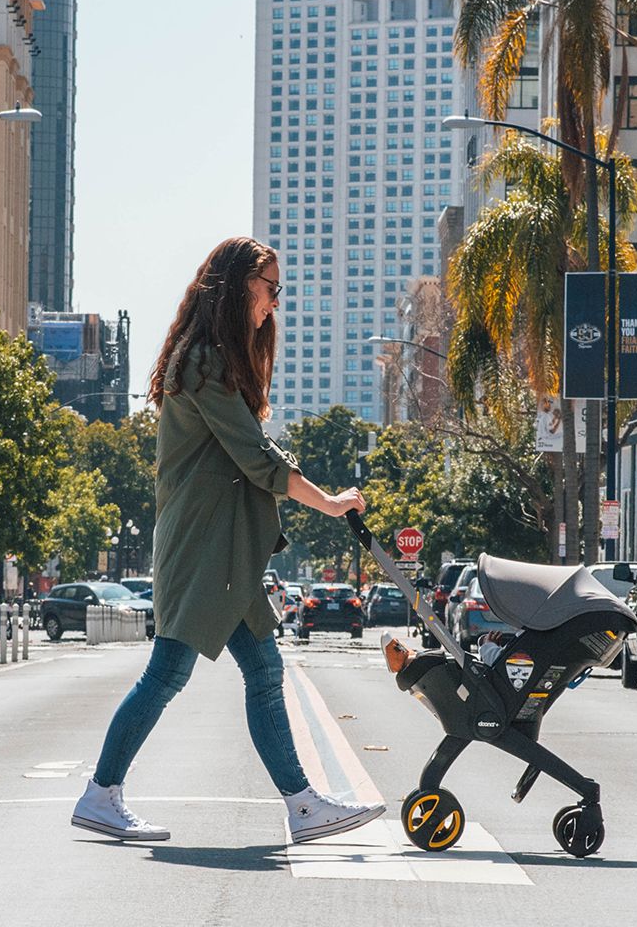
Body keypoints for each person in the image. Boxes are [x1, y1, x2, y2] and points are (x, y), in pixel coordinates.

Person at [72, 237, 385, 845]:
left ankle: (301, 805)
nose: (275, 302)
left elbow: (251, 453)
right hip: (203, 547)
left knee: (265, 672)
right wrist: (328, 501)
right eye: (270, 288)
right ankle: (101, 792)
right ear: (239, 286)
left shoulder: (216, 359)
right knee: (168, 673)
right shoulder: (204, 363)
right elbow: (254, 455)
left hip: (228, 549)